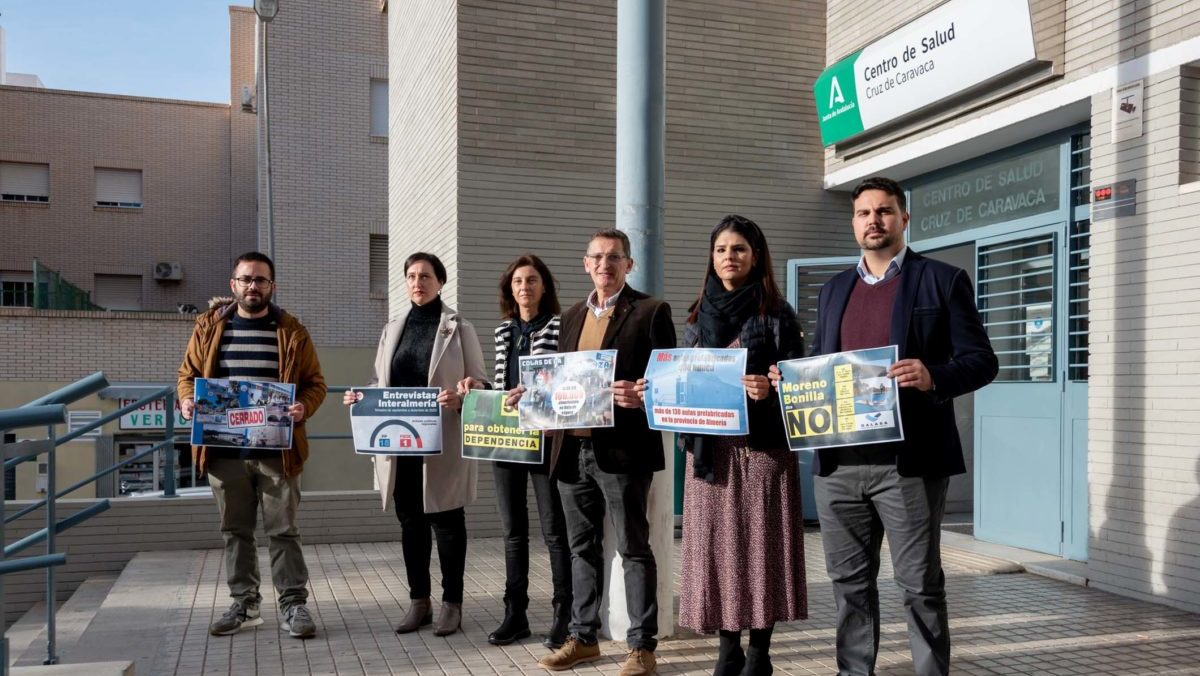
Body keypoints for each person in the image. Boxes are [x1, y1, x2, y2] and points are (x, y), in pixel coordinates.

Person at [771, 177, 998, 676]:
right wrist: (792, 380)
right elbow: (823, 365)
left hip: (909, 465)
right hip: (838, 467)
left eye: (884, 211)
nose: (874, 220)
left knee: (919, 585)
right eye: (864, 213)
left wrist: (933, 374)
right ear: (853, 223)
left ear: (904, 219)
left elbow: (983, 361)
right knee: (849, 586)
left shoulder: (942, 279)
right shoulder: (834, 290)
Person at [655, 215, 807, 676]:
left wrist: (772, 388)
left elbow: (800, 382)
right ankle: (728, 649)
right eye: (721, 249)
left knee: (761, 548)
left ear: (756, 255)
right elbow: (682, 381)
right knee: (717, 549)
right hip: (712, 454)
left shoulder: (778, 313)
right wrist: (657, 390)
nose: (729, 257)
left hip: (763, 450)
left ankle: (760, 652)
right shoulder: (698, 315)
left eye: (739, 249)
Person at [527, 228, 676, 676]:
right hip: (571, 451)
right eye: (597, 257)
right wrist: (530, 394)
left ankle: (642, 646)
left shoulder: (651, 311)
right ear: (585, 264)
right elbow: (556, 380)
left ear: (629, 265)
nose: (605, 265)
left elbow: (667, 380)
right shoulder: (570, 316)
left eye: (615, 258)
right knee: (581, 549)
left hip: (623, 452)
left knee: (634, 548)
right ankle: (583, 638)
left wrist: (643, 394)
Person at [177, 251, 326, 639]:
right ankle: (245, 605)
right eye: (246, 279)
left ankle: (293, 605)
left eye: (260, 280)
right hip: (223, 453)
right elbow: (188, 376)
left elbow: (315, 384)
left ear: (271, 286)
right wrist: (187, 400)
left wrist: (301, 408)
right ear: (233, 285)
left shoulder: (292, 330)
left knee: (284, 530)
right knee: (235, 531)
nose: (253, 286)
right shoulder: (209, 327)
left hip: (278, 452)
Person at [344, 252, 487, 637]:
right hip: (400, 441)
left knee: (447, 522)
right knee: (411, 523)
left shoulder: (460, 328)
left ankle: (451, 605)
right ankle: (418, 602)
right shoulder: (393, 328)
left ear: (440, 282)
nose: (417, 282)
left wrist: (462, 397)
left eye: (425, 276)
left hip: (442, 441)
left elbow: (480, 382)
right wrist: (362, 398)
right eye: (410, 276)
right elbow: (379, 383)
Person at [457, 254, 573, 649]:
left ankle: (564, 614)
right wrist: (478, 385)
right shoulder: (503, 330)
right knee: (512, 532)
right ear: (510, 289)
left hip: (545, 437)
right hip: (507, 438)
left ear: (545, 286)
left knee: (554, 531)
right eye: (518, 281)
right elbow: (504, 385)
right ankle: (515, 614)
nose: (525, 287)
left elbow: (564, 380)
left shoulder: (560, 326)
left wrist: (536, 393)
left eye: (532, 280)